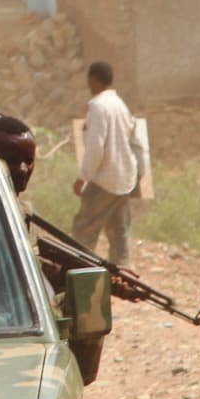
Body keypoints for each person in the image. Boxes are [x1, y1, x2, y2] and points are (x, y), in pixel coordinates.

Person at [72, 60, 149, 262]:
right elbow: (136, 140)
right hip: (125, 178)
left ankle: (81, 269)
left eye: (89, 81)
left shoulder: (98, 107)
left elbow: (95, 148)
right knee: (119, 230)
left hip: (105, 179)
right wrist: (140, 172)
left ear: (94, 80)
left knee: (84, 229)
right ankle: (122, 271)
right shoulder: (119, 104)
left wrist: (82, 177)